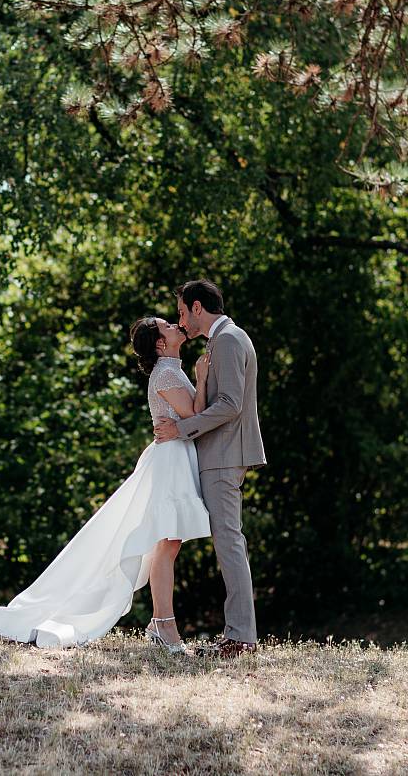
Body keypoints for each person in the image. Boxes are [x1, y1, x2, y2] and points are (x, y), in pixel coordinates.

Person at [0, 316, 211, 651]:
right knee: (166, 544)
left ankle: (161, 622)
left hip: (175, 458)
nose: (174, 325)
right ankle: (163, 624)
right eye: (166, 325)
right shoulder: (167, 373)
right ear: (159, 343)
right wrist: (204, 376)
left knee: (167, 544)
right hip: (170, 462)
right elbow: (194, 415)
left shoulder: (171, 369)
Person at [153, 279, 265, 658]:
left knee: (230, 543)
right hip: (219, 455)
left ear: (198, 307)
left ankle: (241, 638)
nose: (181, 320)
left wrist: (180, 429)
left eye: (183, 312)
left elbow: (231, 404)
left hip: (223, 456)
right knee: (228, 543)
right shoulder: (222, 341)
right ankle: (238, 635)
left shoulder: (230, 340)